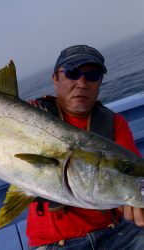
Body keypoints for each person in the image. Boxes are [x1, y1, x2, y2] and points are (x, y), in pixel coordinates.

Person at [27, 45, 144, 249]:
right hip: (55, 242)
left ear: (99, 82)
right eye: (72, 73)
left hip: (115, 233)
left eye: (92, 75)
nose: (82, 83)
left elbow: (131, 175)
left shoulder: (114, 123)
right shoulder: (30, 116)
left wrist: (133, 202)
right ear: (55, 78)